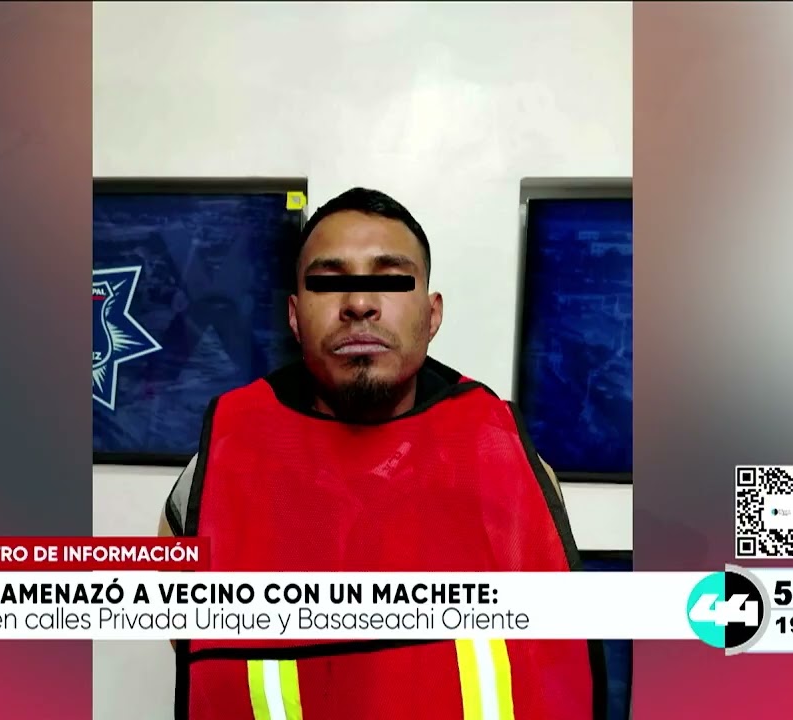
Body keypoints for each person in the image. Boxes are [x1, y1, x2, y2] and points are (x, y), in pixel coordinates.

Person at [158, 187, 605, 720]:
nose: (359, 303)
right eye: (329, 281)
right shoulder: (209, 478)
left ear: (432, 314)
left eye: (391, 278)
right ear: (295, 316)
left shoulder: (519, 470)